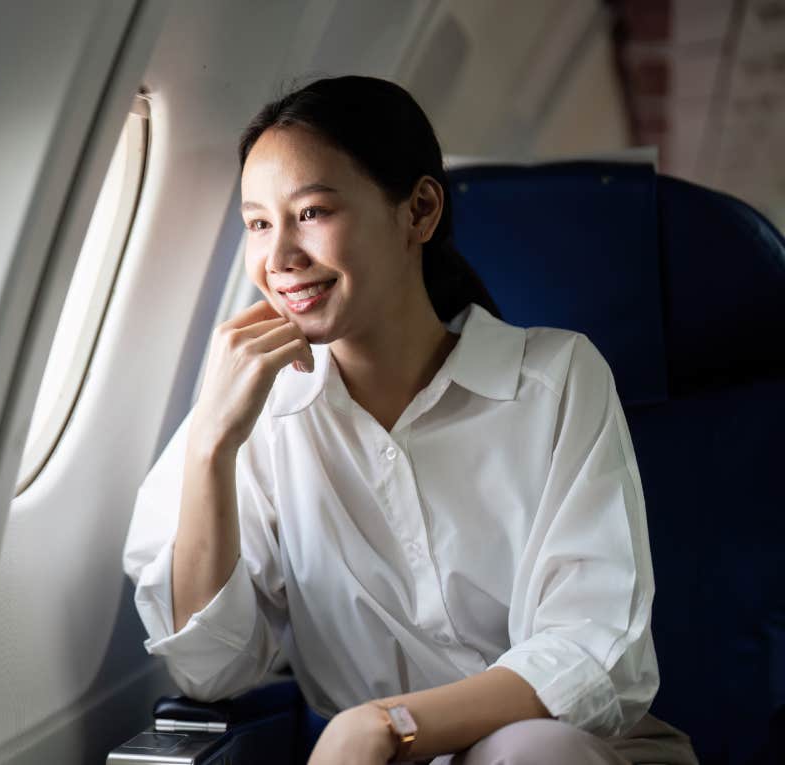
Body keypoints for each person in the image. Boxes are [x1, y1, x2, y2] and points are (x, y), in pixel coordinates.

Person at [121, 76, 698, 765]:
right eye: (258, 223)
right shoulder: (259, 413)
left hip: (575, 752)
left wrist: (389, 722)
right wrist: (212, 444)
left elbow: (592, 648)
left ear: (419, 210)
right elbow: (210, 670)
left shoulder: (554, 380)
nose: (278, 259)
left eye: (310, 212)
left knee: (525, 750)